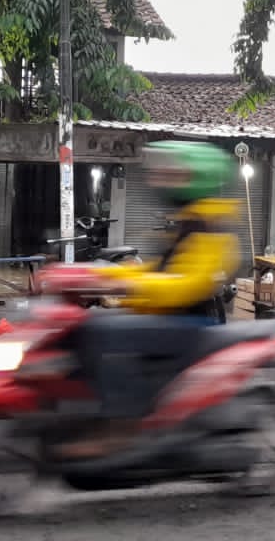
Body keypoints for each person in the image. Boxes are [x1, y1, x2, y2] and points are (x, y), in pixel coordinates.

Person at [58, 141, 242, 458]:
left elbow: (186, 285)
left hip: (192, 323)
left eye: (175, 173)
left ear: (200, 177)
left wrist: (123, 285)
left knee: (106, 333)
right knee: (84, 325)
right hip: (170, 316)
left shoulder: (211, 226)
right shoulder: (188, 220)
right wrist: (103, 275)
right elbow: (160, 271)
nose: (163, 179)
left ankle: (120, 428)